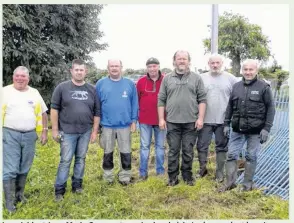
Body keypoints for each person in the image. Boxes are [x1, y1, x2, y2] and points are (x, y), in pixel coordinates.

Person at [219, 59, 275, 192]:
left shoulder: (264, 87)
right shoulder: (236, 87)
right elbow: (230, 107)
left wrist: (266, 128)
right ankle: (230, 183)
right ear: (242, 71)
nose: (248, 72)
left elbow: (271, 109)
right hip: (237, 129)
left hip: (256, 131)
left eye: (251, 70)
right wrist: (226, 124)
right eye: (245, 70)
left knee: (251, 156)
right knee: (232, 155)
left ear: (256, 71)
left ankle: (247, 185)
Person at [51, 59, 100, 201]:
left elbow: (97, 112)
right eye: (76, 69)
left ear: (86, 72)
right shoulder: (62, 88)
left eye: (81, 70)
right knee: (65, 160)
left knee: (81, 159)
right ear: (71, 71)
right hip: (67, 131)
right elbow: (54, 109)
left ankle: (77, 185)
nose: (79, 72)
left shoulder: (92, 89)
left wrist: (95, 131)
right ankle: (59, 190)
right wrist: (55, 130)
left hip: (85, 131)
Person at [2, 66, 48, 213]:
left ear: (28, 78)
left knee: (25, 167)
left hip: (30, 135)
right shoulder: (4, 91)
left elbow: (43, 113)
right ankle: (9, 203)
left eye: (23, 76)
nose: (20, 79)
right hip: (9, 134)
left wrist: (44, 132)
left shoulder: (34, 93)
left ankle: (19, 195)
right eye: (18, 76)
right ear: (13, 77)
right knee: (10, 168)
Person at [158, 50, 207, 186]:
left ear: (189, 61)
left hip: (191, 122)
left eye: (184, 59)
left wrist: (200, 118)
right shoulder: (167, 78)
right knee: (173, 151)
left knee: (188, 150)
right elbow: (161, 99)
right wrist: (161, 119)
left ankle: (187, 176)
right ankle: (172, 177)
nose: (181, 61)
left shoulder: (196, 78)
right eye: (179, 58)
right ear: (174, 61)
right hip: (172, 122)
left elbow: (202, 99)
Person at [196, 54, 238, 182]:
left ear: (222, 63)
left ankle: (219, 173)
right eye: (212, 63)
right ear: (208, 64)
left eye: (217, 63)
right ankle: (202, 170)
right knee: (202, 146)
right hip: (205, 119)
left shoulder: (231, 79)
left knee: (221, 147)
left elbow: (238, 95)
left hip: (223, 121)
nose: (215, 65)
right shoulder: (201, 78)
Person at [96, 59, 138, 185]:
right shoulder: (100, 83)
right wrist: (97, 124)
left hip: (124, 125)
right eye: (112, 66)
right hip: (107, 125)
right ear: (107, 68)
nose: (114, 68)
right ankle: (108, 177)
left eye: (117, 66)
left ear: (121, 67)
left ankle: (125, 177)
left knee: (125, 152)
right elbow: (96, 104)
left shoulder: (129, 84)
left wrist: (134, 120)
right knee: (107, 152)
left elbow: (134, 103)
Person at [136, 57, 165, 180]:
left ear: (158, 66)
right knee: (144, 146)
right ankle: (143, 173)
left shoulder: (166, 80)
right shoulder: (141, 82)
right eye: (150, 66)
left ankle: (160, 171)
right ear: (146, 68)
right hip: (145, 120)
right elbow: (136, 100)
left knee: (160, 146)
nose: (152, 68)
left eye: (154, 66)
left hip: (161, 120)